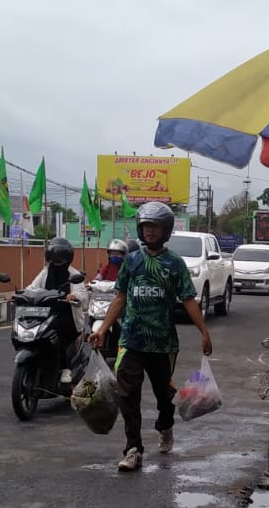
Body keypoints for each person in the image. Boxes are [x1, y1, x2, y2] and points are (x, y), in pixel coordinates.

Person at [87, 200, 213, 472]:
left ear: (165, 230)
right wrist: (102, 329)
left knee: (163, 396)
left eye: (155, 227)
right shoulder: (131, 261)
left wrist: (204, 331)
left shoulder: (175, 264)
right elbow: (120, 297)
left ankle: (165, 426)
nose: (150, 232)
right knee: (127, 394)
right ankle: (133, 449)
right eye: (146, 227)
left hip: (162, 343)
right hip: (131, 340)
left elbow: (189, 299)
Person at [26, 236, 90, 380]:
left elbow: (82, 294)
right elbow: (33, 287)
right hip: (46, 313)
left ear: (68, 257)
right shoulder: (46, 271)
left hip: (67, 315)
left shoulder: (73, 274)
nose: (57, 259)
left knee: (55, 331)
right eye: (54, 255)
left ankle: (65, 368)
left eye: (61, 256)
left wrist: (73, 296)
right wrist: (20, 294)